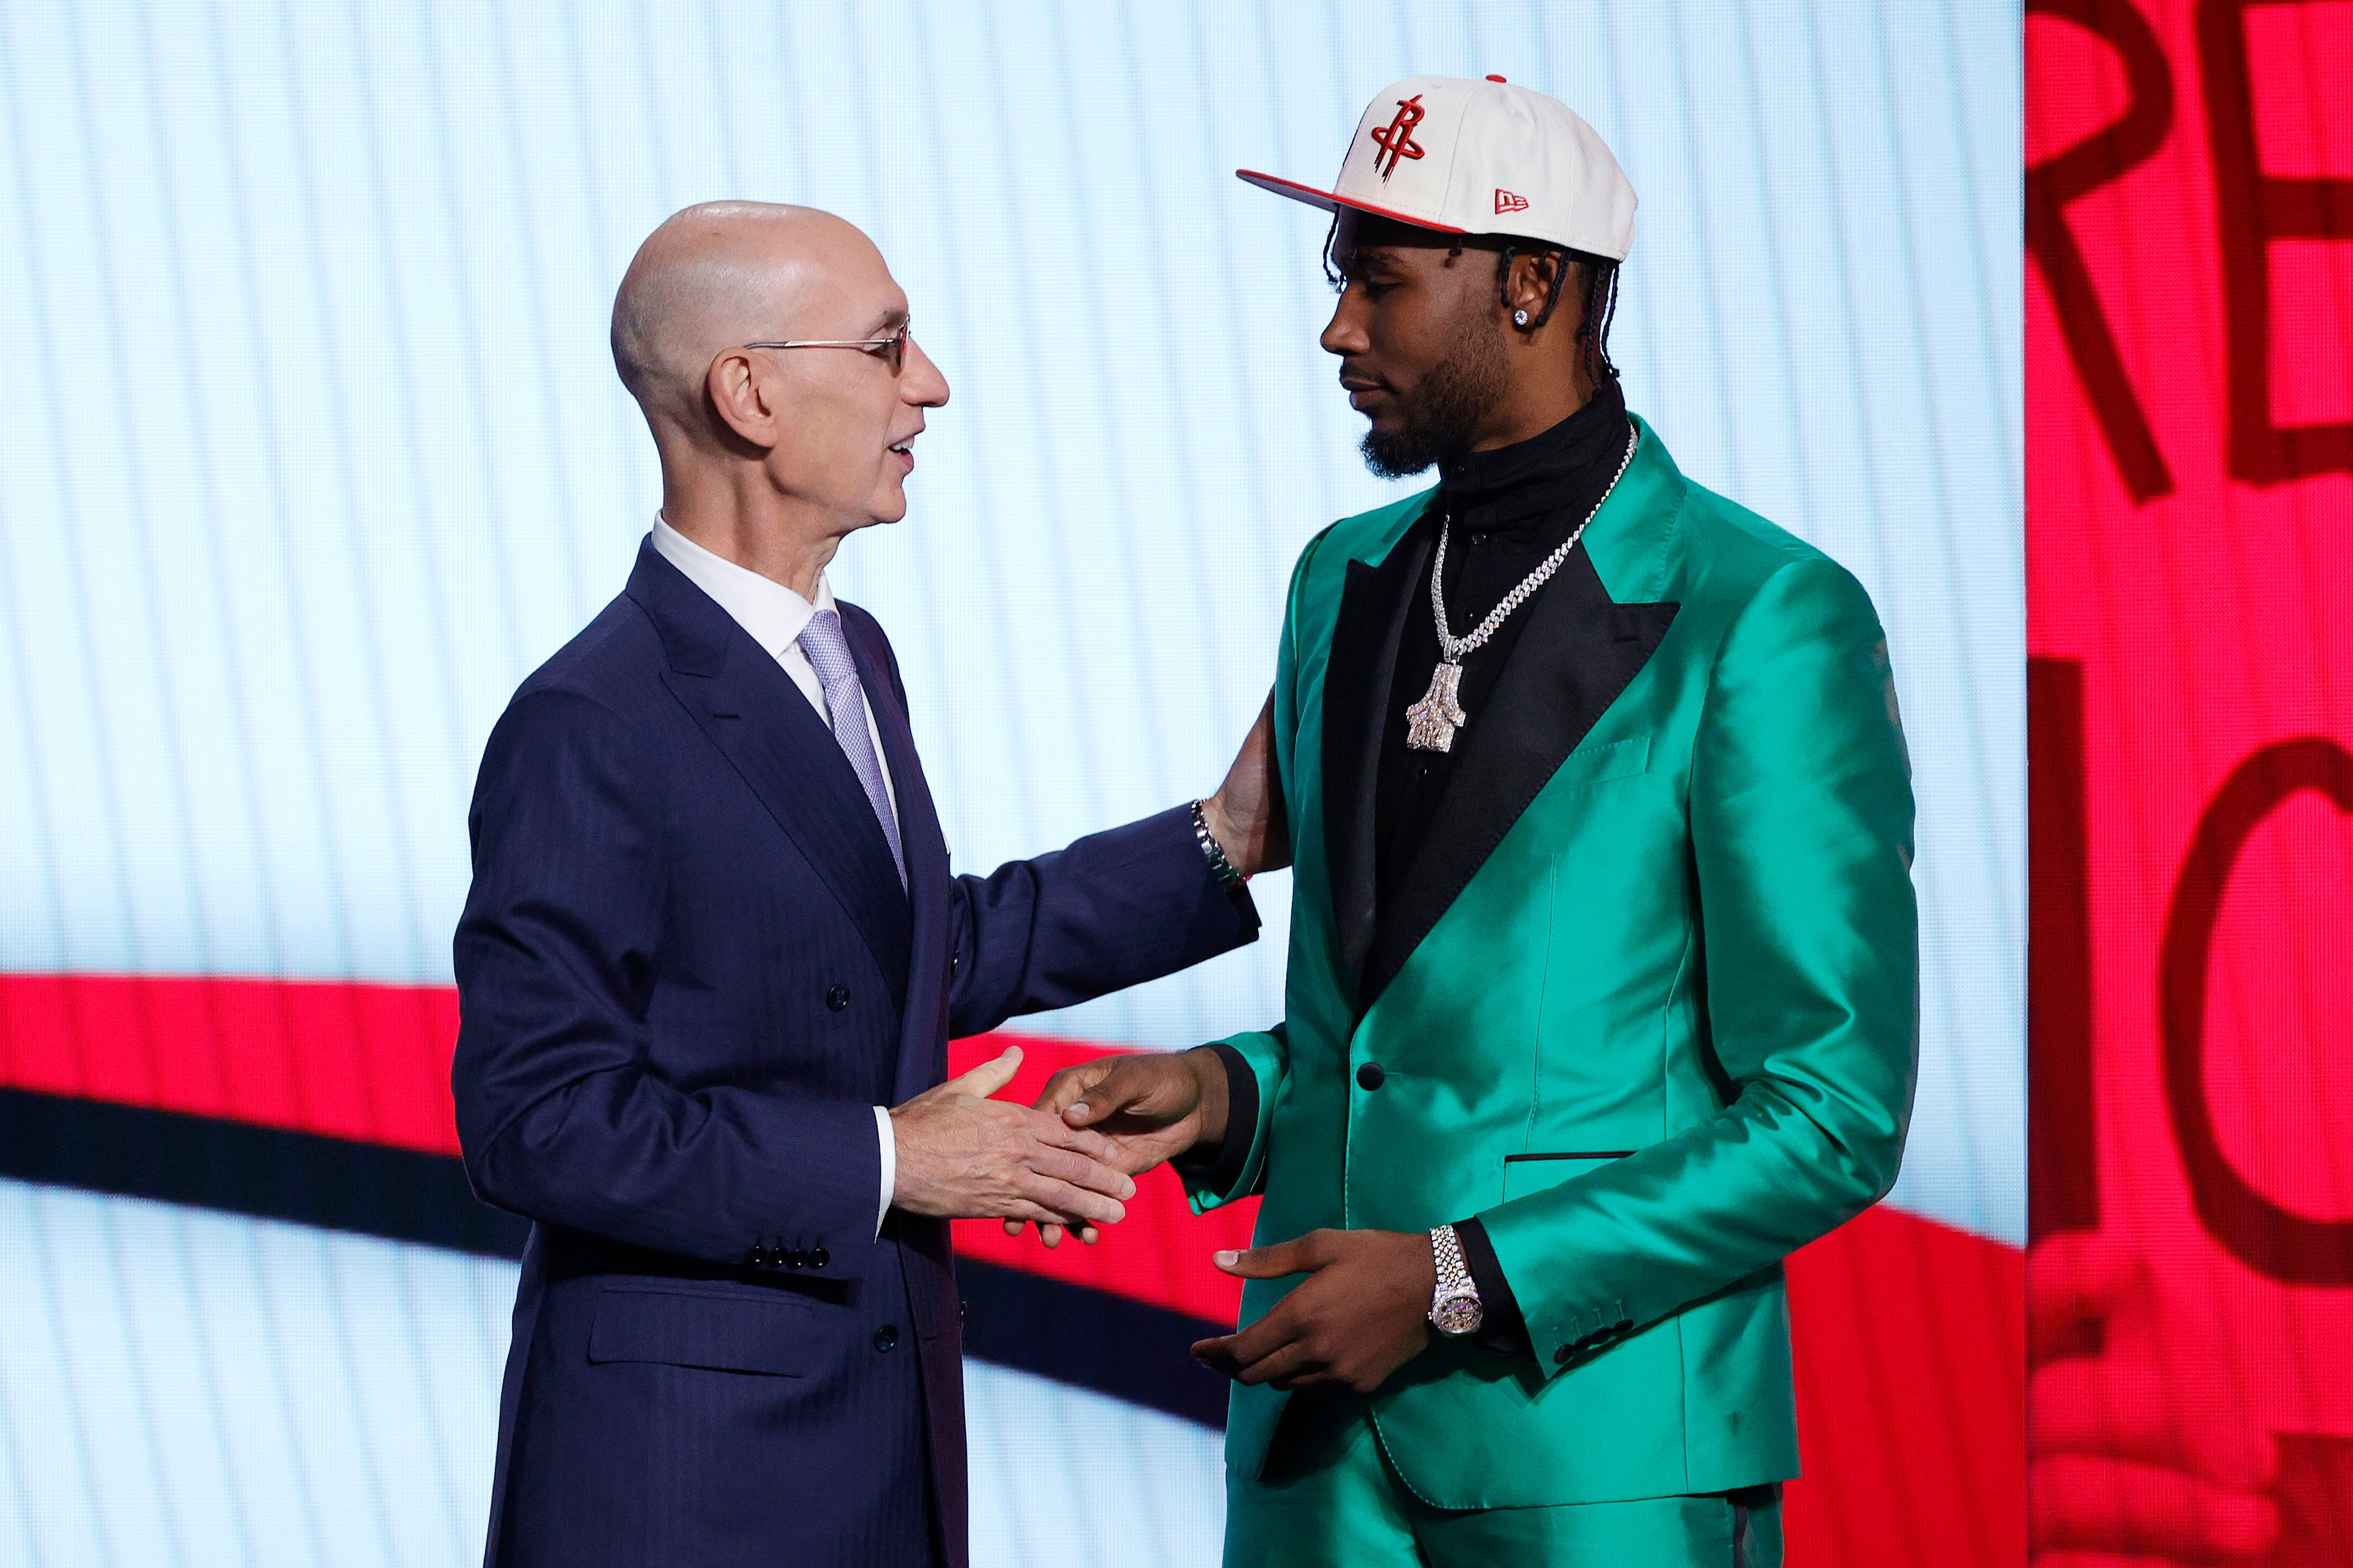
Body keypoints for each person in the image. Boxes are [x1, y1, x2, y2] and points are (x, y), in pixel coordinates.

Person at [1024, 77, 1919, 1567]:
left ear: (1532, 285)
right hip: (1312, 1463)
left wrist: (1458, 1280)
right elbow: (1397, 1036)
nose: (1337, 331)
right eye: (1339, 282)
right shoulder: (1342, 578)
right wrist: (1228, 1098)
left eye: (1379, 282)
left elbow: (1831, 1113)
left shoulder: (1765, 616)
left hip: (1602, 1461)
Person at [452, 201, 1279, 1568]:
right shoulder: (590, 717)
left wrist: (1222, 840)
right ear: (751, 391)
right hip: (682, 1485)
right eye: (891, 345)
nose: (932, 384)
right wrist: (894, 1160)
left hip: (872, 1438)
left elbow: (909, 954)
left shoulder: (856, 657)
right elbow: (536, 1121)